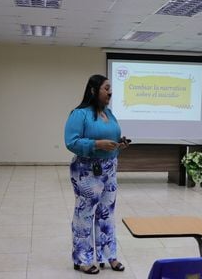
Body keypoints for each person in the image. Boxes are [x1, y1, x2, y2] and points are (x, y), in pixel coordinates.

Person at [64, 74, 130, 275]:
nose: (110, 92)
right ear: (94, 91)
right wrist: (96, 144)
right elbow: (71, 142)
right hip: (86, 170)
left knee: (107, 213)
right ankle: (83, 259)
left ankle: (108, 256)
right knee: (85, 213)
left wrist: (119, 145)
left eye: (111, 88)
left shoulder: (109, 114)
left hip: (109, 168)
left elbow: (113, 137)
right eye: (106, 88)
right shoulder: (79, 114)